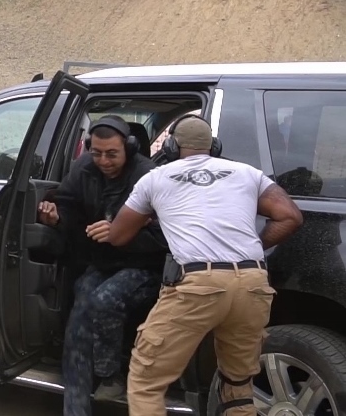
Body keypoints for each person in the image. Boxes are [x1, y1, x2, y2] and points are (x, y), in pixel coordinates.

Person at [106, 115, 303, 416]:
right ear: (214, 146)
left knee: (146, 381)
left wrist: (150, 214)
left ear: (171, 146)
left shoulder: (155, 178)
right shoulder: (248, 173)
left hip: (198, 286)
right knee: (237, 386)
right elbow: (290, 215)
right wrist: (246, 249)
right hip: (252, 282)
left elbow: (118, 236)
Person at [37, 116, 168, 416]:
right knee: (79, 311)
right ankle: (76, 408)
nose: (104, 161)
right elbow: (70, 210)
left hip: (145, 264)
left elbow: (168, 234)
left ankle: (110, 374)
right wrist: (56, 218)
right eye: (96, 153)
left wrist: (120, 232)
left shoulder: (149, 175)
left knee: (102, 298)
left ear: (129, 148)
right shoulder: (83, 170)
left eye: (112, 154)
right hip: (102, 262)